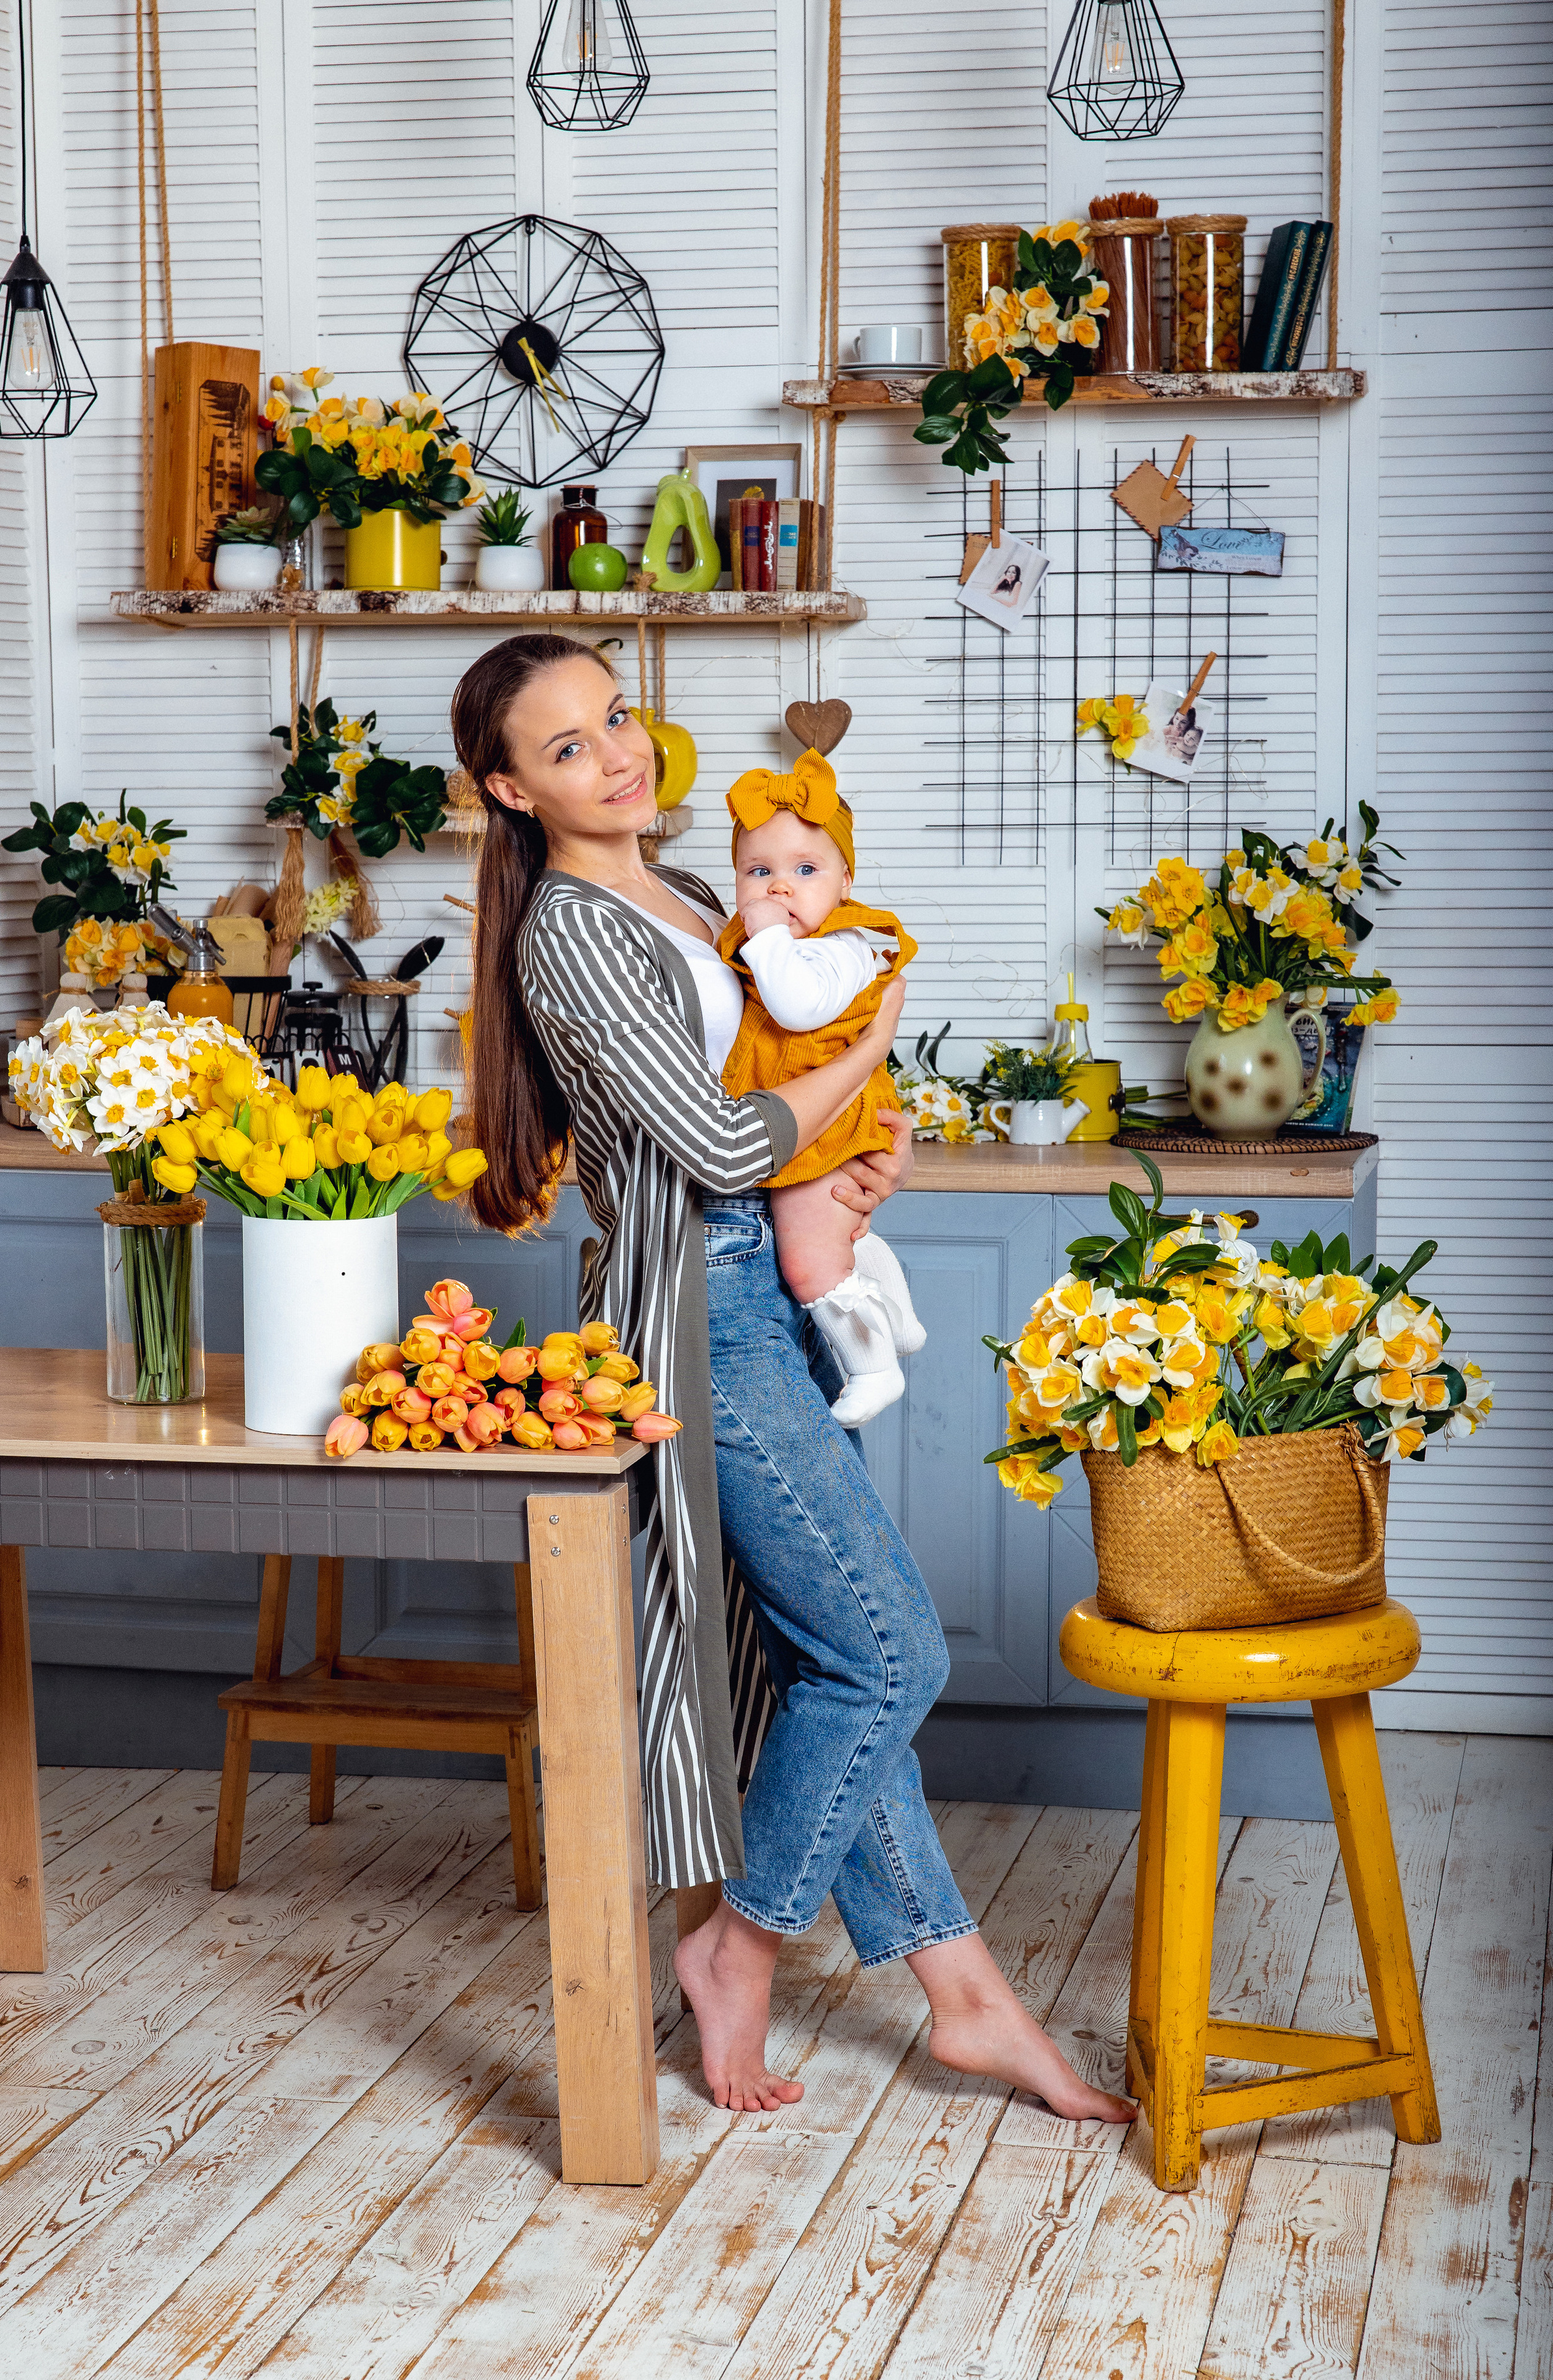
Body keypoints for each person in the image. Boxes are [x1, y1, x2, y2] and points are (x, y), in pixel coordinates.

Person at [456, 631, 1131, 2123]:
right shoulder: (569, 930)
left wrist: (851, 1174)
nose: (614, 752)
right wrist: (874, 1037)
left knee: (833, 1661)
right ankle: (738, 1945)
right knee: (891, 1652)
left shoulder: (692, 895)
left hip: (763, 1283)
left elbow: (766, 1120)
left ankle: (963, 1997)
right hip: (695, 1314)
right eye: (565, 746)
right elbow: (709, 1147)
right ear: (509, 789)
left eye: (615, 716)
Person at [717, 747, 924, 1429]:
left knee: (809, 1264)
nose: (780, 889)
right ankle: (897, 1321)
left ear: (844, 880)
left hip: (825, 1124)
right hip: (806, 1119)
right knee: (838, 1233)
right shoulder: (780, 939)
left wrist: (768, 937)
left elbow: (798, 1010)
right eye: (759, 872)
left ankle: (874, 1368)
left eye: (805, 871)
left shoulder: (843, 945)